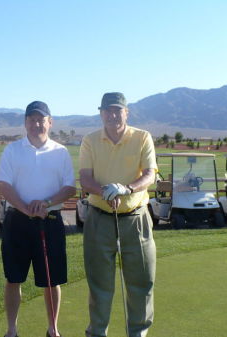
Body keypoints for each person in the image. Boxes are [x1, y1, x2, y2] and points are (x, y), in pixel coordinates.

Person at [0, 100, 76, 337]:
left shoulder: (60, 152)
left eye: (41, 119)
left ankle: (53, 328)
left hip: (50, 221)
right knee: (13, 278)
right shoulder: (13, 150)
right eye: (31, 119)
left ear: (50, 123)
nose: (36, 124)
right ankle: (12, 330)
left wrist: (47, 203)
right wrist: (25, 207)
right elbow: (3, 185)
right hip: (17, 222)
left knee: (52, 281)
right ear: (25, 123)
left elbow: (70, 188)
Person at [79, 92, 157, 337]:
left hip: (136, 218)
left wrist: (126, 188)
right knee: (100, 284)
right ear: (101, 113)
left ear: (127, 112)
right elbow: (85, 179)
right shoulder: (90, 140)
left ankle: (138, 333)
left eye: (118, 110)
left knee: (141, 282)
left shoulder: (142, 137)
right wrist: (106, 193)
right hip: (99, 218)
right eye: (108, 111)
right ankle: (97, 332)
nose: (113, 115)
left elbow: (149, 175)